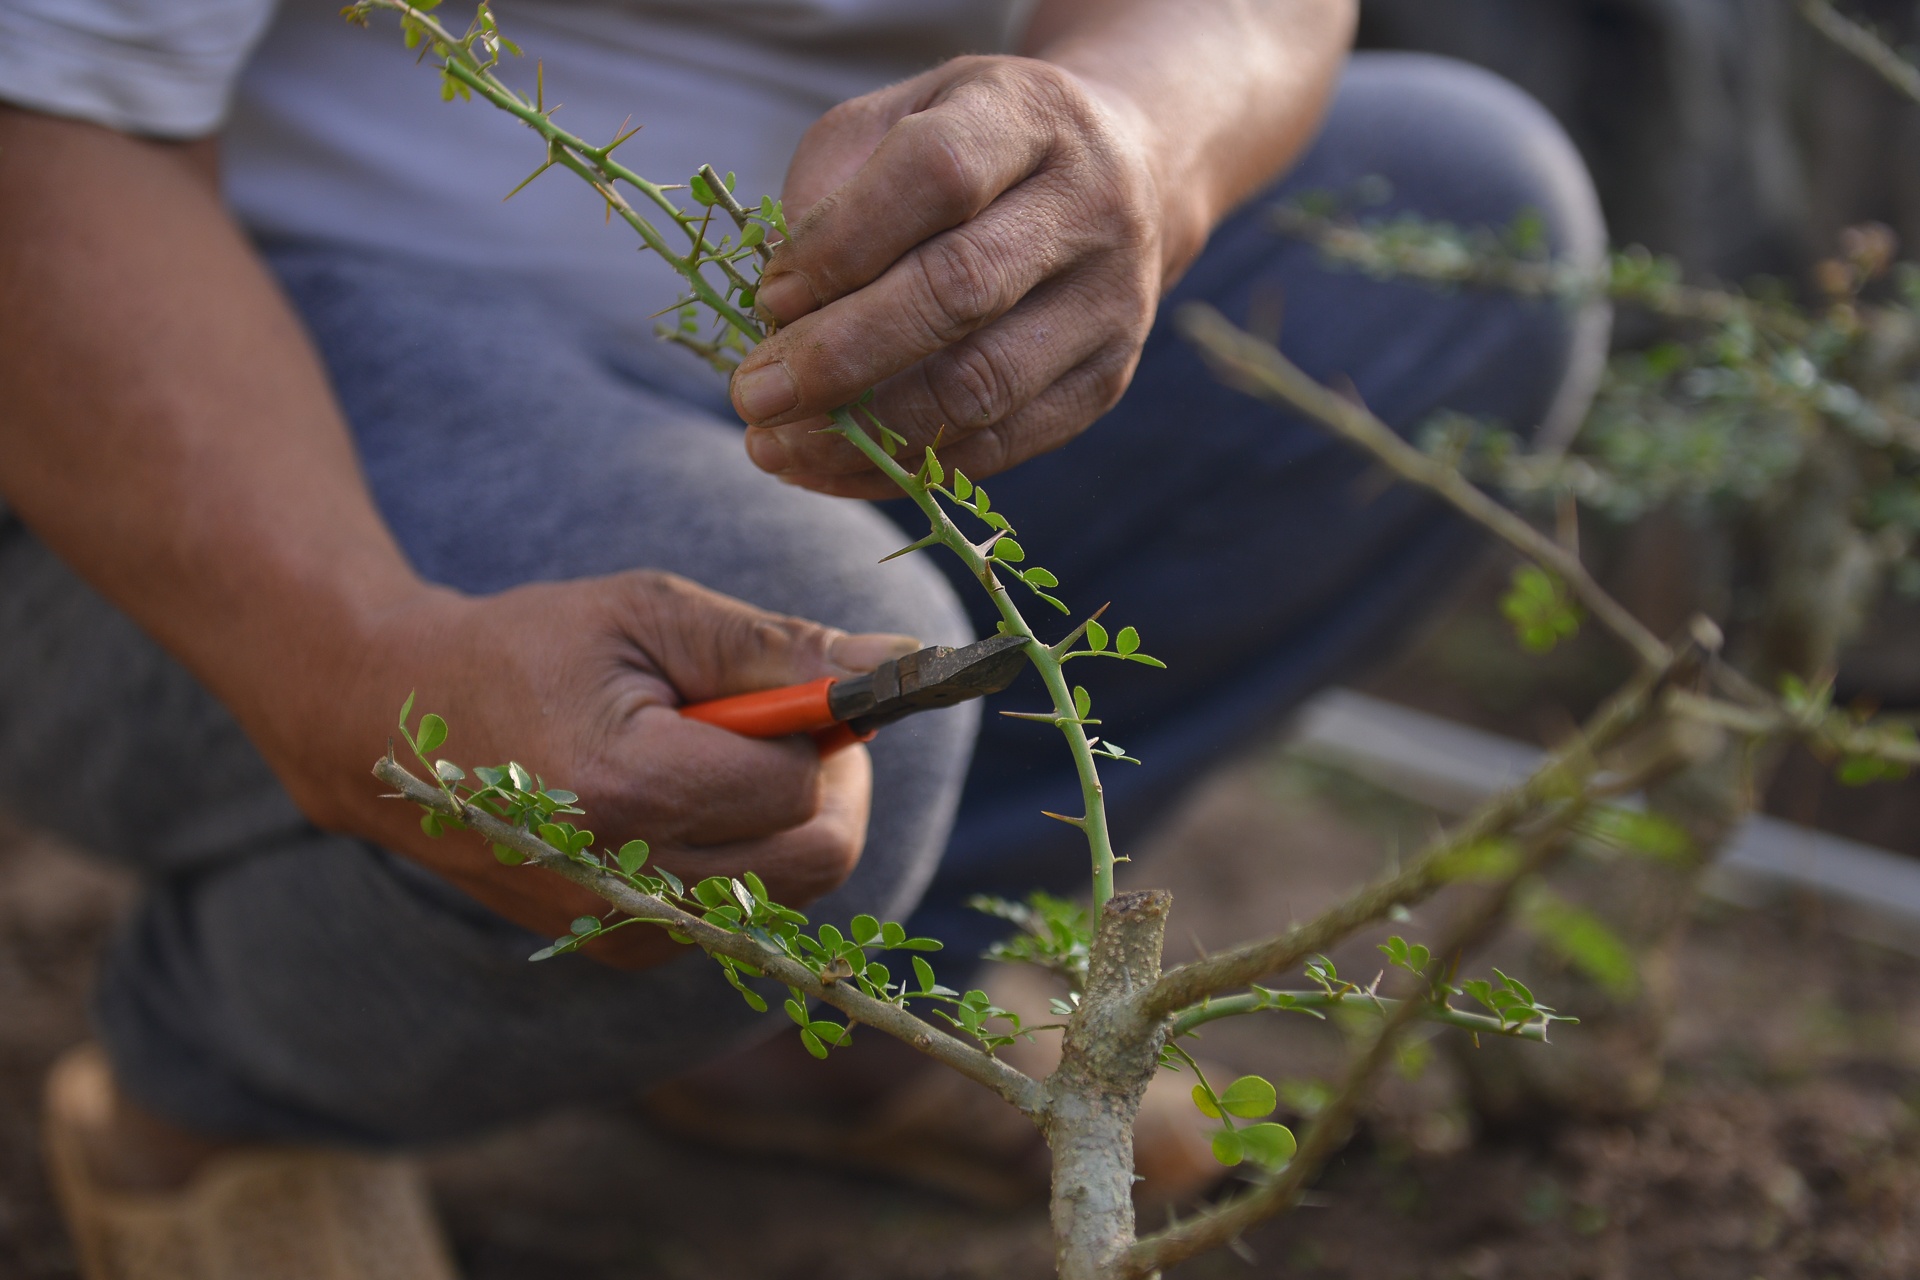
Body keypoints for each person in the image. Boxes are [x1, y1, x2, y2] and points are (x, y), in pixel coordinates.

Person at [0, 0, 1608, 1273]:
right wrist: (358, 664)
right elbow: (41, 125)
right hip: (190, 358)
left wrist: (1135, 129)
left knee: (1463, 233)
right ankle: (219, 1100)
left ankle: (809, 1019)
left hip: (798, 379)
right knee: (792, 740)